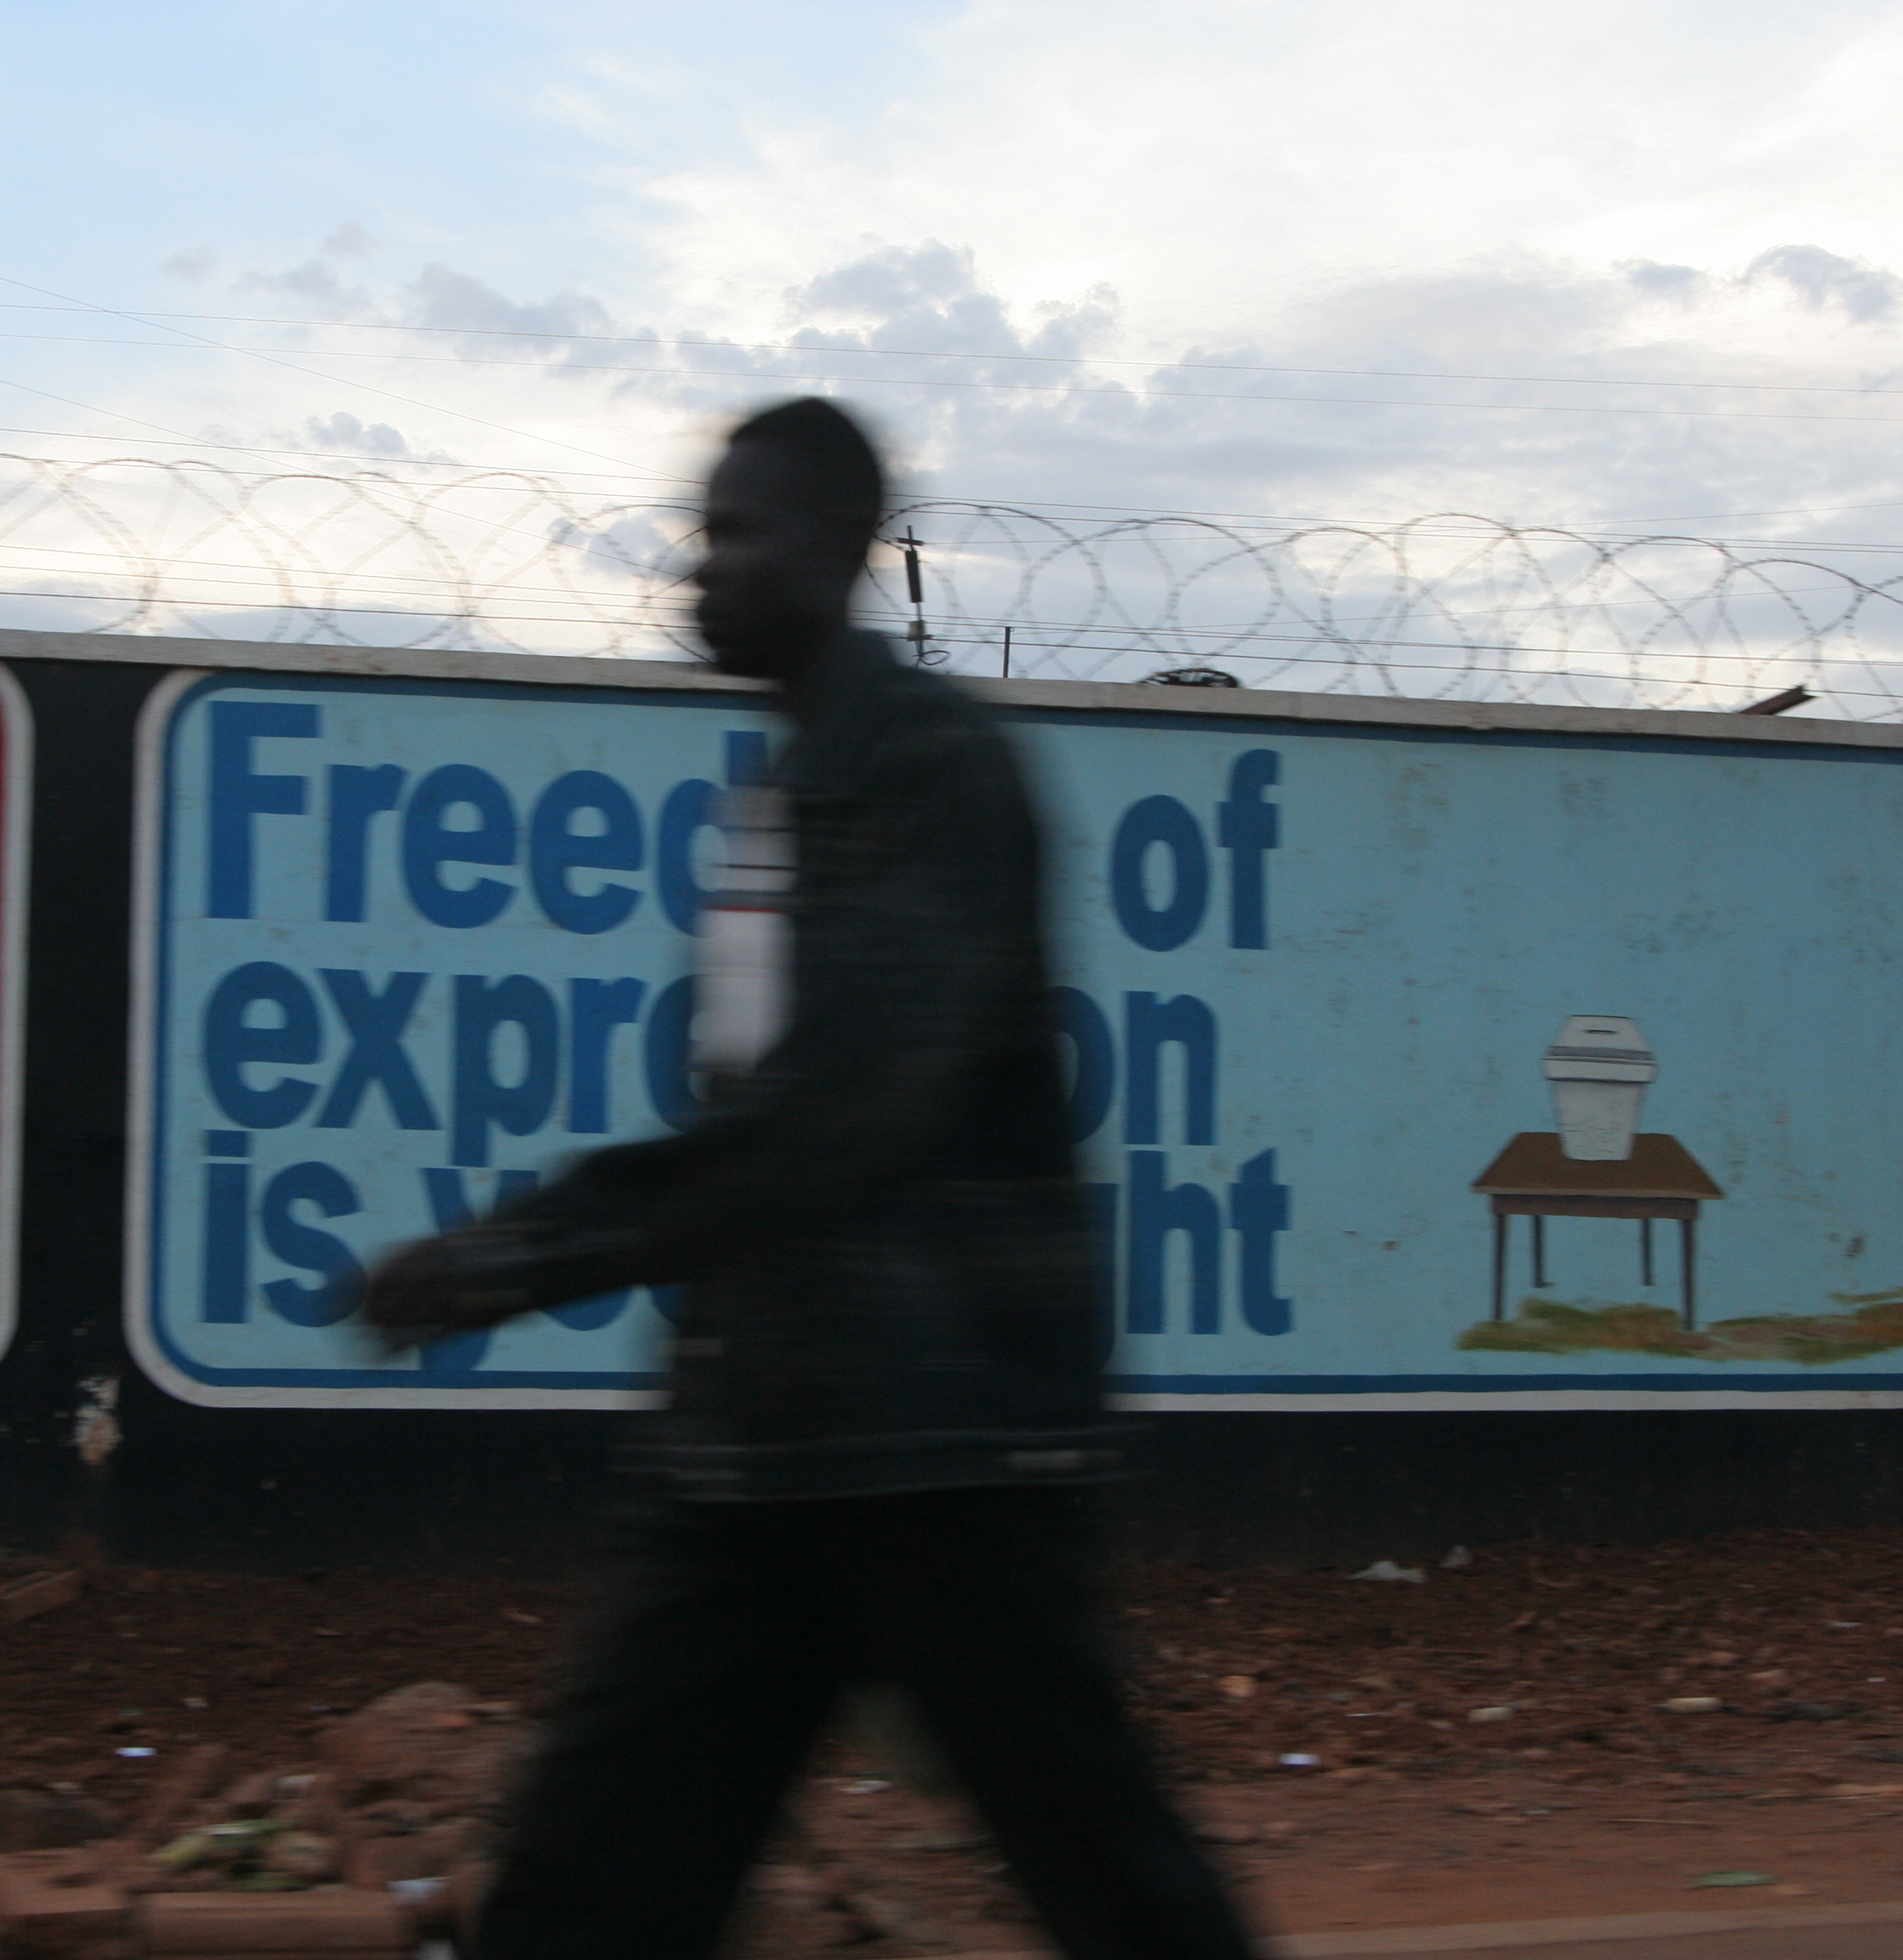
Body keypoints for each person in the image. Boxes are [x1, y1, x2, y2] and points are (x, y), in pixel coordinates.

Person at [359, 399, 1266, 1960]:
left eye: (736, 532)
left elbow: (838, 1115)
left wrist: (525, 1249)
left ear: (840, 551)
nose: (696, 568)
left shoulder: (933, 771)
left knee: (1112, 1877)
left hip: (944, 1451)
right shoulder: (790, 796)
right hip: (769, 1446)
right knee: (593, 1873)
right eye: (699, 530)